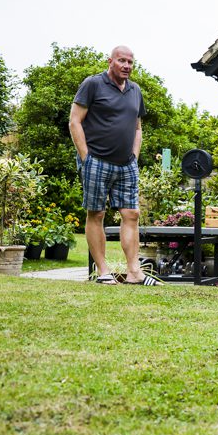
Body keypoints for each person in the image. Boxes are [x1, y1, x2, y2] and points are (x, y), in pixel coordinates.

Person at [69, 45, 158, 285]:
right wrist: (85, 156)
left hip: (126, 164)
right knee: (96, 213)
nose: (127, 66)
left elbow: (138, 128)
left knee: (132, 214)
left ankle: (134, 272)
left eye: (130, 62)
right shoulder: (93, 84)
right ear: (110, 61)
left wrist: (134, 157)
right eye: (122, 61)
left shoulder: (135, 90)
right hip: (96, 160)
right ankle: (103, 272)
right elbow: (75, 121)